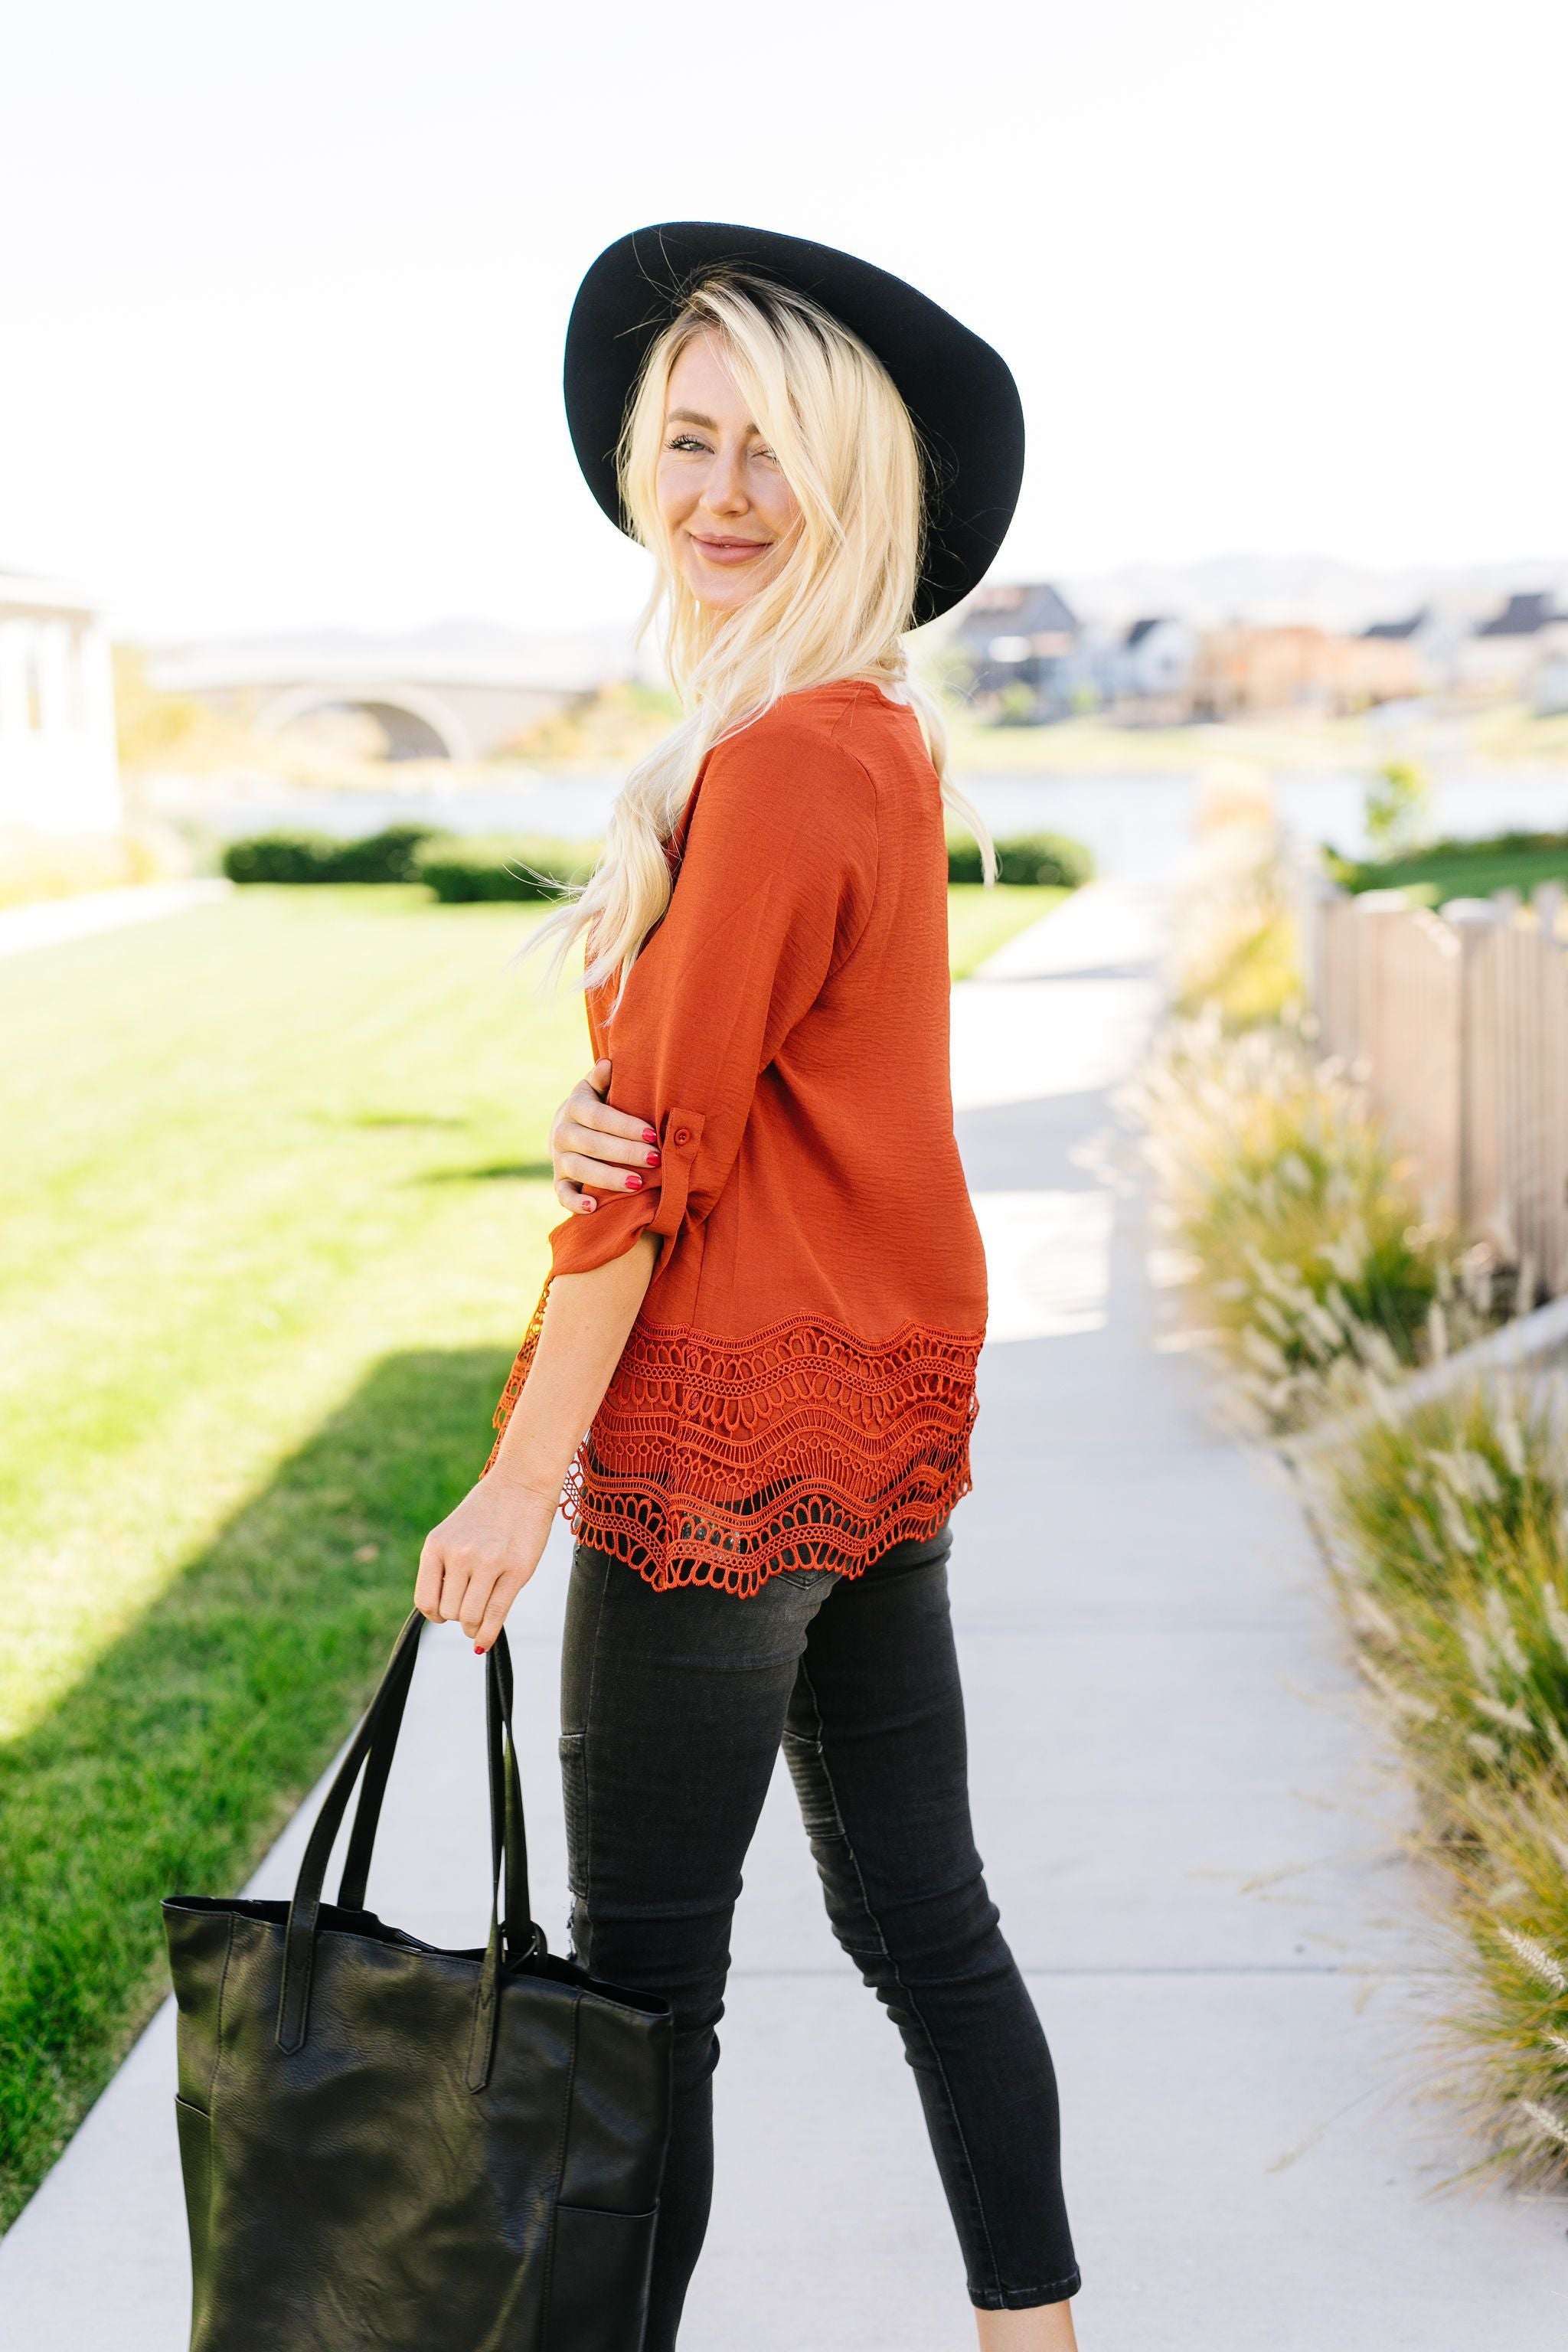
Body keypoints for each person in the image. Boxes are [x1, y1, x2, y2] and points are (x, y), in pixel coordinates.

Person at [416, 222, 1080, 2350]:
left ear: (857, 481)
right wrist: (617, 1100)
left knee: (638, 2000)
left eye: (769, 453)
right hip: (870, 1428)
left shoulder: (784, 757)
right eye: (684, 443)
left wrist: (524, 1475)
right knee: (928, 1928)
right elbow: (730, 1102)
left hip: (718, 1449)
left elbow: (660, 1178)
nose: (716, 495)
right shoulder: (869, 733)